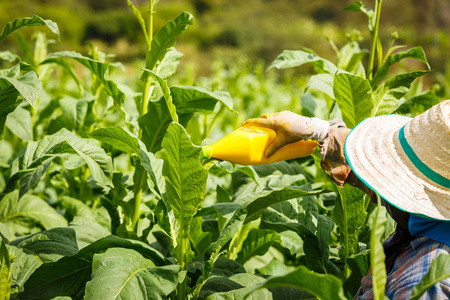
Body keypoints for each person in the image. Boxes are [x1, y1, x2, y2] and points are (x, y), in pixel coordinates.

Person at [242, 100, 450, 299]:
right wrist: (318, 130)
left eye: (390, 179)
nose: (375, 194)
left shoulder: (425, 287)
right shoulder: (429, 224)